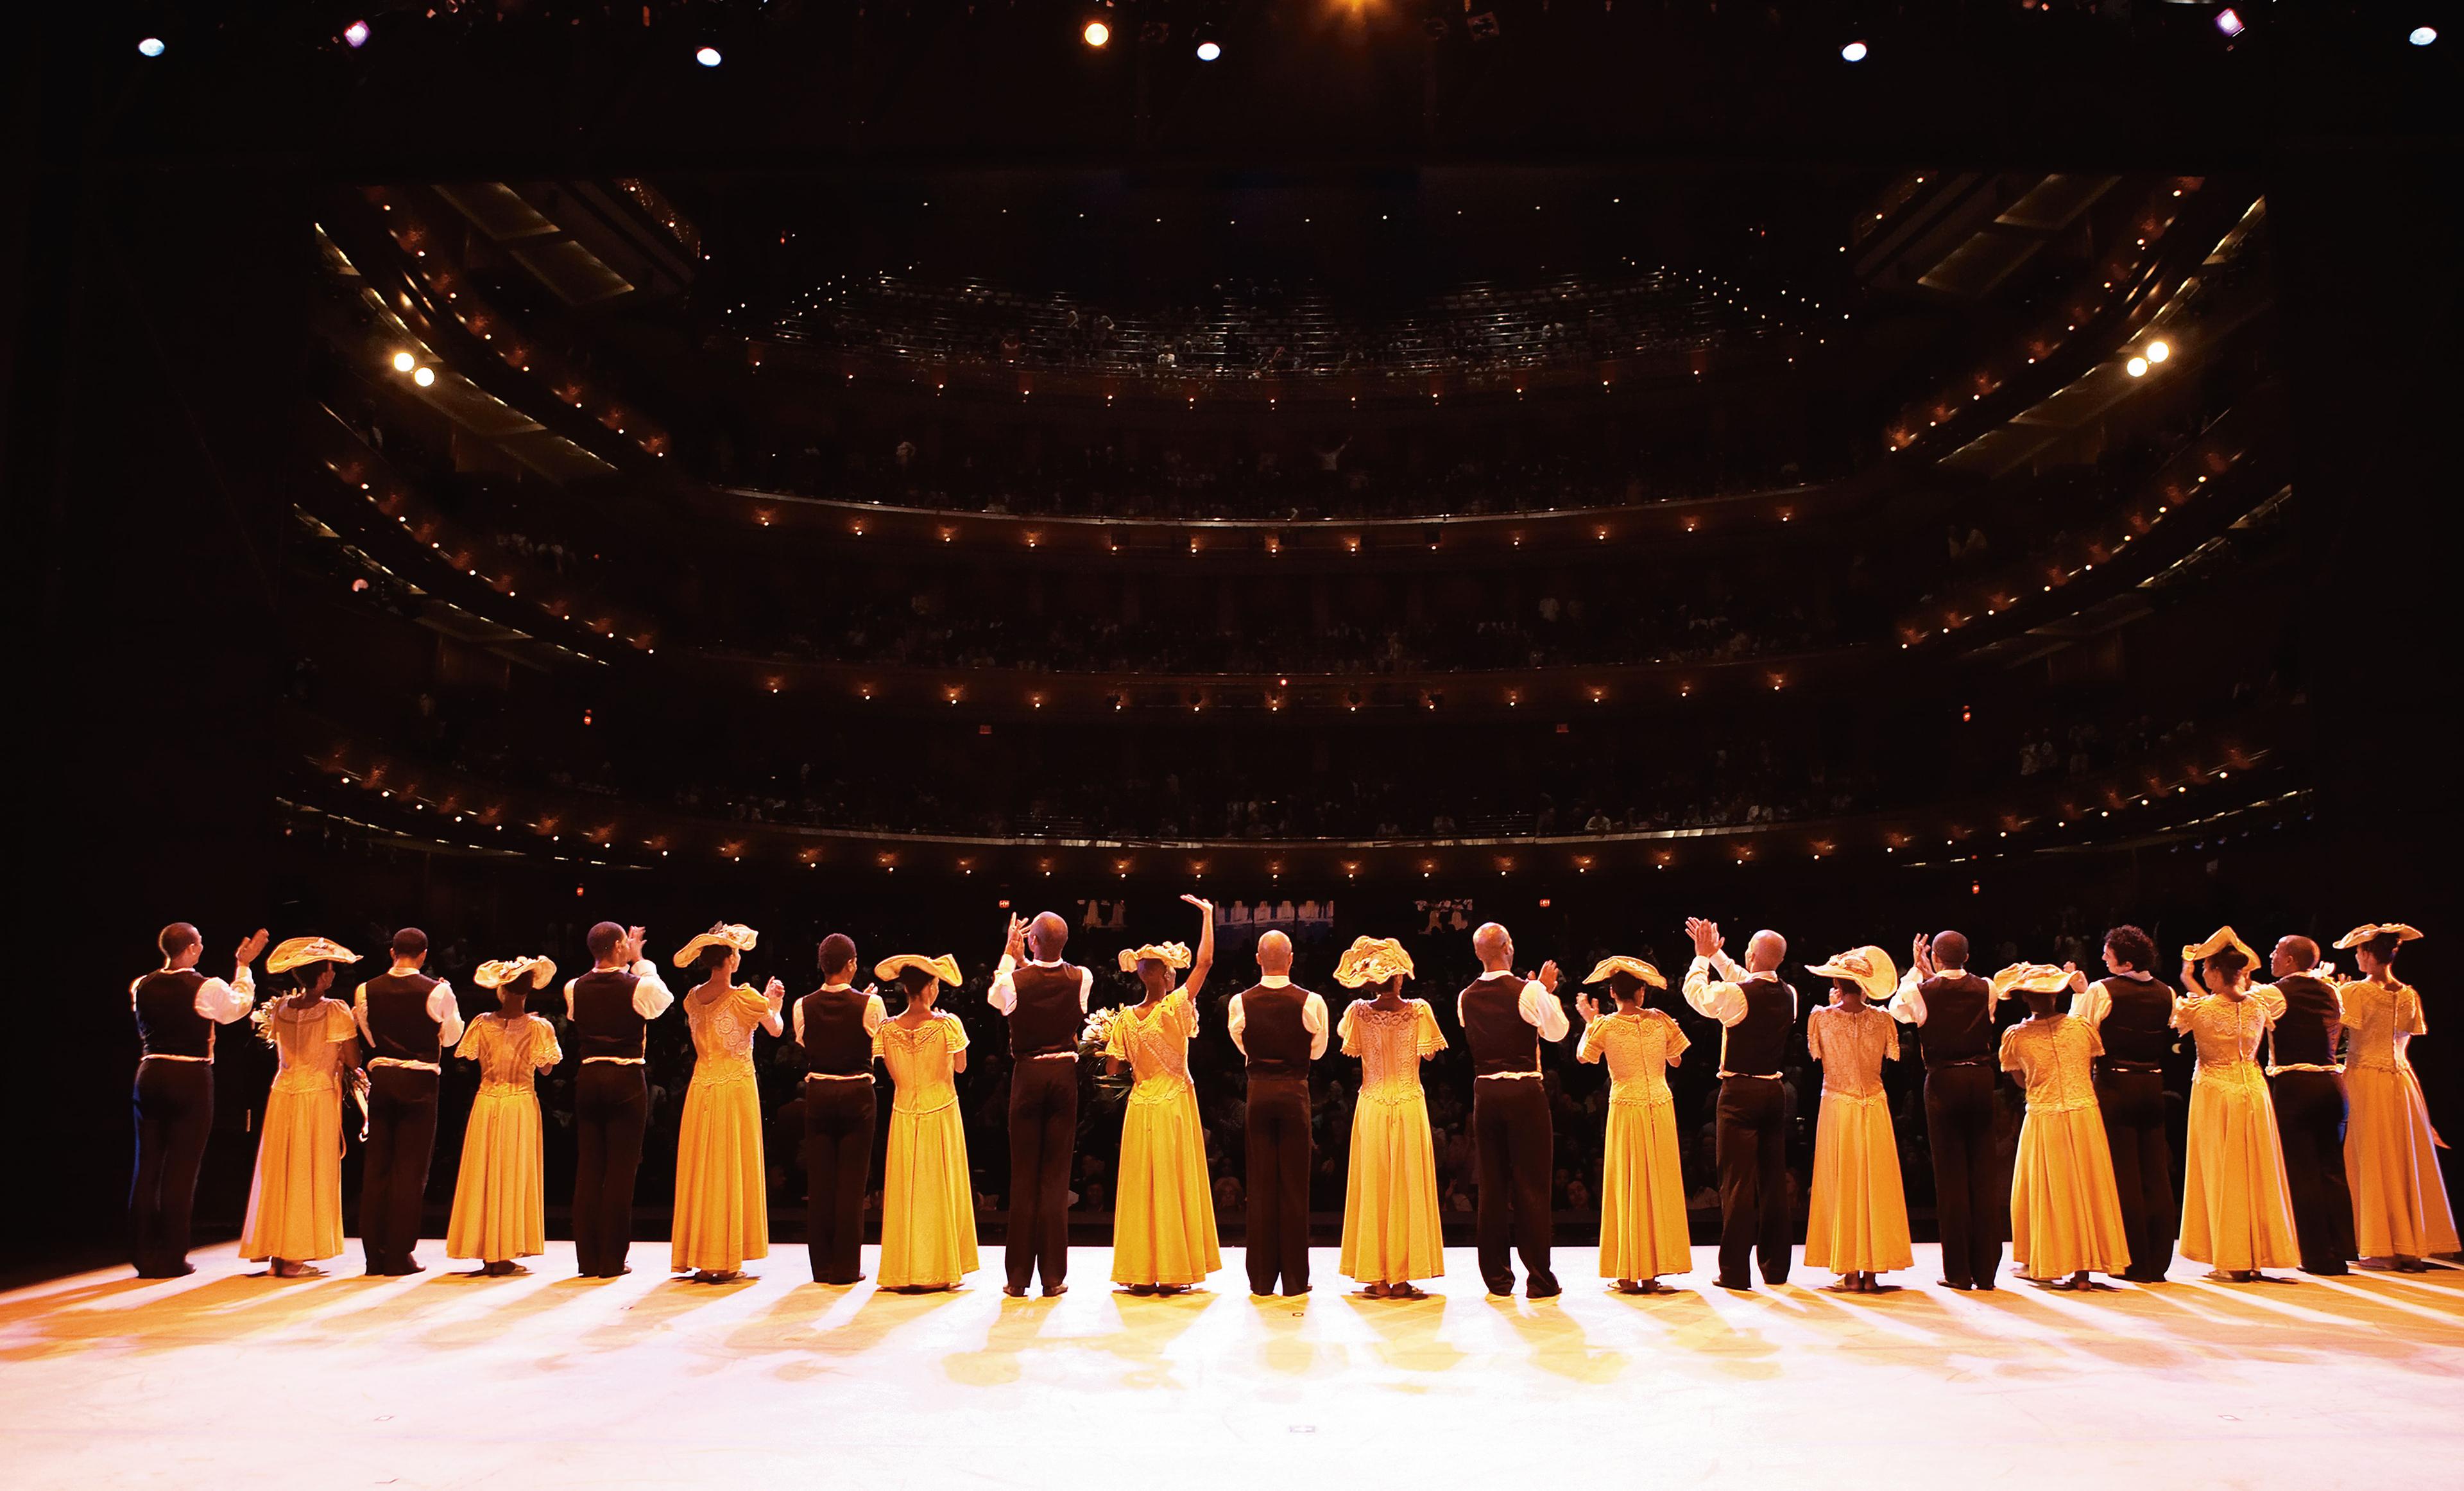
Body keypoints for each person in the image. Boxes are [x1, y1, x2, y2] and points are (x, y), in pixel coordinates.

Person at [129, 922, 267, 1277]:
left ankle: (143, 1256)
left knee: (146, 1168)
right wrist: (244, 967)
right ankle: (173, 1257)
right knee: (181, 1169)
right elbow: (236, 1008)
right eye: (200, 943)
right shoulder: (205, 987)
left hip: (150, 1072)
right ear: (190, 949)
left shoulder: (141, 985)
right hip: (189, 1075)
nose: (202, 947)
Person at [1106, 895, 1222, 1295]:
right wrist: (1208, 916)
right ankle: (1174, 1269)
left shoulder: (1124, 1018)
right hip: (1172, 1102)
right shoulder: (1174, 1006)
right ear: (1168, 976)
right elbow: (1205, 963)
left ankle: (1140, 1270)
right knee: (1171, 1181)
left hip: (1141, 1105)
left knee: (1143, 1184)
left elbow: (1113, 1068)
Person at [2173, 928, 2300, 1282]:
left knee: (2223, 1171)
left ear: (2214, 972)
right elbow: (2242, 994)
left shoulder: (2198, 1009)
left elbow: (2186, 1020)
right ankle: (2256, 1253)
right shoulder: (2261, 1004)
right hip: (2253, 1090)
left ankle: (2231, 1256)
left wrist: (2188, 976)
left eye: (2206, 971)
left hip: (2216, 1091)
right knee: (2255, 1170)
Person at [1683, 917, 1799, 1290]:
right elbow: (1741, 976)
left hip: (1739, 1095)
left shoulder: (1737, 995)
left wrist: (1702, 958)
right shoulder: (1790, 993)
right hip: (1774, 1093)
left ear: (1752, 955)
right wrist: (1717, 953)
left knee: (1736, 1184)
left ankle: (1735, 1271)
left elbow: (1696, 994)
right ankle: (1776, 1268)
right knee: (1773, 1184)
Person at [2334, 922, 2456, 1270]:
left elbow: (2338, 1035)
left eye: (2359, 951)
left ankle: (2380, 1246)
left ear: (2370, 954)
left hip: (2366, 1078)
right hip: (2401, 1081)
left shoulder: (2356, 992)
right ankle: (2406, 1244)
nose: (2357, 956)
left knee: (2374, 1156)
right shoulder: (2408, 994)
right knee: (2402, 1156)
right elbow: (2405, 1040)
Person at [239, 936, 364, 1278]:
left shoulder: (281, 1008)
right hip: (315, 1096)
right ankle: (292, 1255)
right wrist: (345, 1059)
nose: (334, 975)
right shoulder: (334, 1009)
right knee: (306, 1169)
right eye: (330, 969)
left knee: (283, 1169)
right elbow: (352, 1058)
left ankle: (280, 1252)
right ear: (322, 976)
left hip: (283, 1095)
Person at [670, 924, 785, 1282]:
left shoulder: (692, 997)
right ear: (732, 958)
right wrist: (775, 1002)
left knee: (704, 1167)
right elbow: (776, 1028)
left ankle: (704, 1253)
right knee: (728, 1164)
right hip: (734, 1088)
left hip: (702, 1086)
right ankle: (723, 1256)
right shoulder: (744, 997)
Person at [1333, 936, 1448, 1299]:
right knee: (1406, 1184)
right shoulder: (1420, 1010)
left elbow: (1346, 1043)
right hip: (1409, 1102)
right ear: (1399, 979)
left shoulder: (1356, 1013)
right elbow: (1429, 1056)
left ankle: (1378, 1275)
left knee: (1376, 1184)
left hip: (1373, 1103)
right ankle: (1401, 1276)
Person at [1457, 921, 1568, 1298]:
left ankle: (1498, 1280)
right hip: (1523, 1090)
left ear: (1477, 953)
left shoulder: (1464, 997)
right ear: (1509, 948)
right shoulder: (1529, 990)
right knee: (1531, 1186)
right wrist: (1547, 993)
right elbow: (1557, 1033)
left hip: (1485, 1093)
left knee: (1491, 1187)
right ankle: (1539, 1278)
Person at [988, 909, 1094, 1297]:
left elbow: (999, 995)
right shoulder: (1083, 977)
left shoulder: (1014, 980)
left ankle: (1018, 1278)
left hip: (1029, 1077)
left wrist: (1008, 953)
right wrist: (1026, 957)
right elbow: (1040, 976)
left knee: (1024, 1177)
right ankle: (1052, 1277)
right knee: (1054, 1179)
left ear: (1031, 941)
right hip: (1064, 1078)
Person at [2006, 963, 2133, 1289]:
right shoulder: (2080, 1027)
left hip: (2046, 1115)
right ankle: (2083, 1271)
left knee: (2052, 1189)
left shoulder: (2017, 1036)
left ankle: (2055, 1259)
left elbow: (2020, 1080)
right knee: (2085, 1185)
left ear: (2026, 998)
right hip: (2082, 1114)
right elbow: (2089, 1065)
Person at [1890, 930, 2003, 1291]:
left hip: (1943, 1082)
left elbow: (1898, 1010)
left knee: (1951, 1179)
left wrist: (1915, 971)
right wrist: (1932, 974)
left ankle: (1958, 1272)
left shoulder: (1920, 991)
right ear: (1967, 958)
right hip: (1982, 1079)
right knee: (1983, 1175)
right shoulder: (1988, 986)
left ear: (1936, 959)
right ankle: (1985, 1272)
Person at [2068, 924, 2178, 1283]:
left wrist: (2079, 993)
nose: (2102, 957)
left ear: (2125, 960)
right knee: (2155, 1174)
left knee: (2124, 1174)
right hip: (2153, 1084)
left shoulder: (2102, 990)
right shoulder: (2167, 992)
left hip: (2116, 1085)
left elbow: (2078, 1032)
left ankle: (2133, 1259)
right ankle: (2157, 1261)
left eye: (2108, 952)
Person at [1575, 956, 1691, 1295]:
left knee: (1629, 1182)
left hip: (1626, 1105)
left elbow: (1585, 1056)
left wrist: (1589, 1020)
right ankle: (1653, 1270)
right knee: (1657, 1181)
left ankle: (1628, 1270)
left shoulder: (1605, 1026)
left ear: (1612, 993)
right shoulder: (1660, 1020)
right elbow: (1677, 1058)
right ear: (1642, 992)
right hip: (1659, 1104)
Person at [352, 926, 464, 1277]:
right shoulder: (437, 990)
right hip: (419, 1080)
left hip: (382, 1079)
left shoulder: (365, 989)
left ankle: (374, 1255)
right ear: (424, 955)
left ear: (391, 953)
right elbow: (451, 1038)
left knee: (378, 1168)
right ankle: (399, 1255)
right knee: (410, 1171)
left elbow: (369, 1035)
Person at [565, 921, 674, 1279]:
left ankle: (588, 1259)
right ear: (617, 946)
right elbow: (663, 1000)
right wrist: (640, 958)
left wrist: (631, 958)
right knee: (620, 1174)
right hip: (625, 1078)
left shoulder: (573, 987)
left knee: (589, 1168)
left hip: (589, 1077)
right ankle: (611, 1260)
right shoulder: (638, 983)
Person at [1802, 947, 1914, 1293]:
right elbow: (1892, 1059)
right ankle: (1870, 1270)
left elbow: (1815, 1057)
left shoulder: (1820, 1017)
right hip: (1872, 1105)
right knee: (1872, 1182)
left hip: (1839, 1104)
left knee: (1844, 1180)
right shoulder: (1883, 1020)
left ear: (1837, 982)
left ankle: (1850, 1269)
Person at [444, 957, 561, 1276]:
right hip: (519, 1102)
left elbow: (468, 1060)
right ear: (527, 992)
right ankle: (504, 1249)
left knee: (485, 1171)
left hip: (488, 1101)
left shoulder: (482, 1023)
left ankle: (488, 1249)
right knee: (512, 1172)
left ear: (501, 990)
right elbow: (547, 1067)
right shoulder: (539, 1027)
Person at [1227, 927, 1328, 1297]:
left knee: (1261, 1185)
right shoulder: (1311, 1001)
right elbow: (1317, 1052)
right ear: (1290, 959)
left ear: (1257, 959)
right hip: (1295, 1092)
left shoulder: (1240, 1002)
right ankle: (1296, 1281)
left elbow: (1242, 1047)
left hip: (1259, 1093)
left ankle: (1261, 1279)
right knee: (1294, 1187)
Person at [871, 954, 979, 1292]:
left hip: (904, 1112)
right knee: (937, 1186)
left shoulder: (886, 1029)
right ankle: (939, 1266)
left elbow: (890, 1073)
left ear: (905, 989)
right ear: (931, 987)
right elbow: (960, 1068)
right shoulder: (948, 1025)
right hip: (940, 1110)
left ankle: (906, 1268)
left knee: (909, 1189)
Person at [796, 933, 887, 1285]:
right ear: (851, 965)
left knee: (820, 1183)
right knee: (851, 1185)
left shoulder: (802, 1004)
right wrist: (869, 1003)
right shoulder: (870, 1005)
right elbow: (877, 1045)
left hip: (819, 1092)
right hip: (856, 1094)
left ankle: (822, 1266)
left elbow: (806, 1042)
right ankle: (847, 1268)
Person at [2264, 935, 2356, 1276]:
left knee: (2303, 1172)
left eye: (2276, 951)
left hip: (2297, 1085)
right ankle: (2341, 1249)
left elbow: (2241, 1010)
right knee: (2331, 1169)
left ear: (2289, 961)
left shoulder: (2276, 992)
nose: (2271, 955)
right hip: (2332, 1085)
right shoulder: (2332, 991)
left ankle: (2317, 1255)